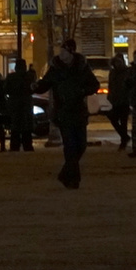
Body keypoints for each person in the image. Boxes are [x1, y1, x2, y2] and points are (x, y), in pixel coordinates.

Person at [33, 38, 100, 188]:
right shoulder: (56, 68)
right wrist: (35, 86)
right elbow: (45, 84)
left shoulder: (82, 67)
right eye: (61, 51)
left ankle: (64, 174)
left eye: (64, 51)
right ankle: (74, 179)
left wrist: (82, 91)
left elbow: (94, 84)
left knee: (81, 145)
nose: (61, 53)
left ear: (71, 52)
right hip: (63, 112)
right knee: (70, 146)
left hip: (79, 111)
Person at [5, 56, 36, 151]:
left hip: (15, 103)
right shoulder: (29, 76)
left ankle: (15, 146)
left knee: (15, 127)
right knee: (27, 127)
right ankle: (27, 145)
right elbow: (33, 89)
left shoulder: (11, 77)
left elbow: (6, 89)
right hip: (26, 103)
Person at [106, 51, 132, 150]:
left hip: (124, 100)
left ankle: (123, 141)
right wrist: (110, 96)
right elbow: (111, 85)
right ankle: (124, 137)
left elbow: (129, 85)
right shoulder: (113, 72)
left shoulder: (127, 72)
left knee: (123, 121)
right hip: (115, 100)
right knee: (113, 118)